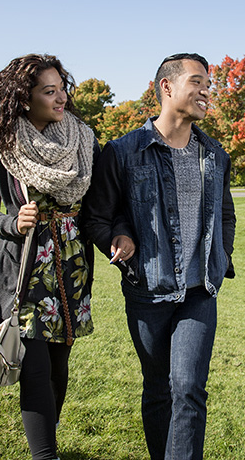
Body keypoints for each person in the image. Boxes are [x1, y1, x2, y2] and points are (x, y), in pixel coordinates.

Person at [85, 53, 236, 460]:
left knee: (188, 388)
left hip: (199, 293)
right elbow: (97, 215)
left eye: (208, 83)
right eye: (197, 81)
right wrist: (118, 238)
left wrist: (220, 259)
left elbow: (226, 214)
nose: (207, 90)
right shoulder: (122, 152)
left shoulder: (215, 154)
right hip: (147, 291)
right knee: (158, 389)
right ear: (166, 88)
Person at [0, 54, 97, 460]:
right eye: (50, 91)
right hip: (25, 272)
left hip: (72, 268)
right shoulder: (0, 150)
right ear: (25, 99)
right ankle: (46, 455)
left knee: (59, 366)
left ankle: (49, 429)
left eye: (62, 88)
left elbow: (98, 206)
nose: (61, 97)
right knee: (36, 367)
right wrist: (13, 221)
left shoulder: (83, 142)